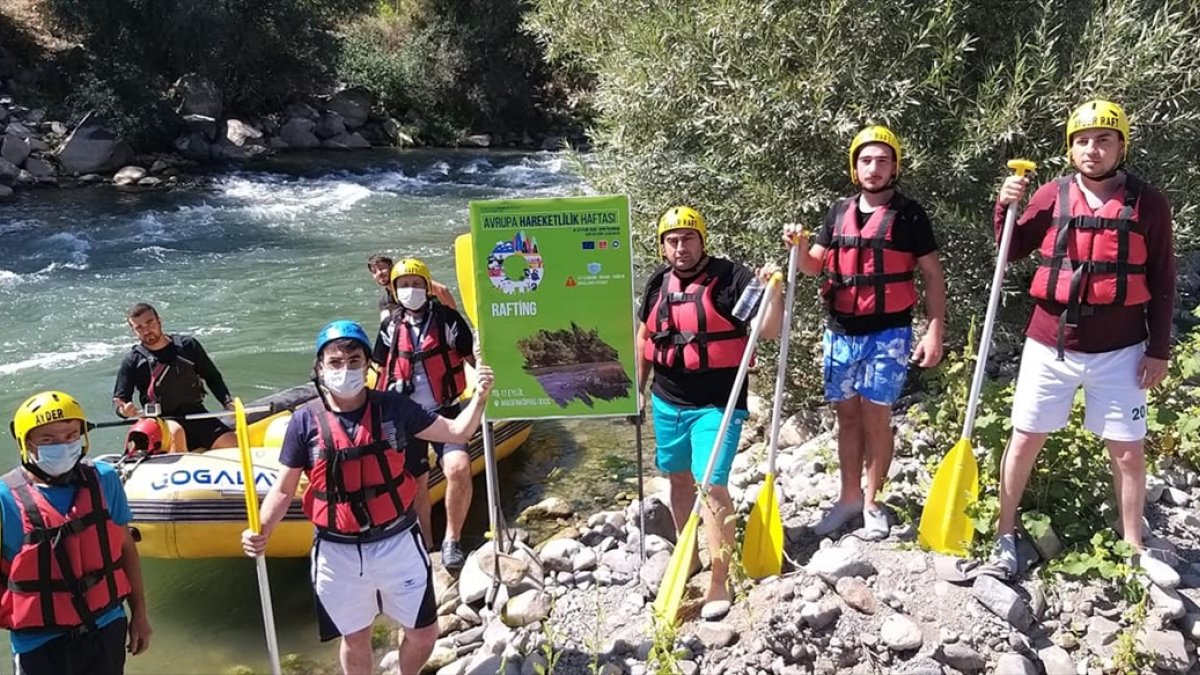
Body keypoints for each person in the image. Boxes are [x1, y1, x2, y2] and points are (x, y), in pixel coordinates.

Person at [985, 100, 1178, 586]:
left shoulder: (1148, 203)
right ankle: (1004, 535)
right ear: (1070, 148)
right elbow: (1011, 248)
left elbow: (1163, 279)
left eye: (1103, 140)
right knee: (1025, 439)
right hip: (1049, 345)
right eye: (1082, 141)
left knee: (1128, 451)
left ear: (1121, 146)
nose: (1092, 149)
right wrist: (1005, 205)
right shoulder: (1052, 194)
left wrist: (1158, 350)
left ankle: (1133, 549)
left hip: (1122, 349)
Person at [241, 320, 493, 675]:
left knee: (424, 634)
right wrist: (262, 529)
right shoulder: (304, 421)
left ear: (367, 366)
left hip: (398, 541)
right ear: (319, 368)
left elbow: (457, 431)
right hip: (336, 551)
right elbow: (283, 490)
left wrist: (480, 395)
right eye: (335, 362)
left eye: (354, 361)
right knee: (355, 636)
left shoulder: (395, 408)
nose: (345, 369)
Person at [783, 125, 946, 540]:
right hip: (841, 331)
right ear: (855, 167)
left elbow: (932, 275)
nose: (874, 168)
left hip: (888, 333)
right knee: (847, 417)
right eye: (866, 160)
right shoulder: (838, 211)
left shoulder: (909, 215)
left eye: (882, 161)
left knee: (877, 417)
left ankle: (873, 501)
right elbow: (813, 266)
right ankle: (848, 498)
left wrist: (934, 331)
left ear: (895, 167)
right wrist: (798, 246)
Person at [636, 206, 783, 618]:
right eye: (672, 241)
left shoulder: (731, 279)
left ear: (702, 241)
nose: (680, 247)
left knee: (712, 486)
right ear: (662, 247)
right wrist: (637, 391)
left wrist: (774, 292)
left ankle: (720, 579)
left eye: (688, 239)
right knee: (678, 480)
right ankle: (690, 555)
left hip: (718, 403)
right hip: (667, 400)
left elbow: (769, 331)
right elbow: (645, 336)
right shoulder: (657, 282)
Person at [3, 391, 152, 675]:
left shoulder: (105, 479)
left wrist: (140, 614)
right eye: (48, 439)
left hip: (106, 627)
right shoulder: (4, 499)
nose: (62, 445)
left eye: (71, 435)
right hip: (39, 643)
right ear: (26, 442)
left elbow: (126, 549)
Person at [372, 258, 476, 570]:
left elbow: (471, 358)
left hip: (444, 411)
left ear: (428, 287)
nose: (411, 290)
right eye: (404, 285)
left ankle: (451, 541)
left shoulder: (447, 320)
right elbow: (379, 369)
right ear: (395, 290)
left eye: (416, 284)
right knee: (416, 485)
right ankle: (426, 547)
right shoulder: (390, 326)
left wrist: (490, 393)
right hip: (406, 416)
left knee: (458, 468)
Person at [111, 303, 237, 451]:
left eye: (150, 323)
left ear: (159, 320)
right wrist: (124, 411)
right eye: (139, 327)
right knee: (177, 431)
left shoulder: (188, 346)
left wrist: (227, 401)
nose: (146, 330)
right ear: (133, 331)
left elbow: (212, 377)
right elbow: (119, 399)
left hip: (196, 414)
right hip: (160, 421)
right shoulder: (132, 360)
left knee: (233, 444)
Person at [369, 252, 459, 323]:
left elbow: (442, 290)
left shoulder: (414, 283)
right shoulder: (385, 302)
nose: (379, 273)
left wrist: (454, 319)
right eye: (374, 272)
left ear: (392, 267)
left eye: (382, 268)